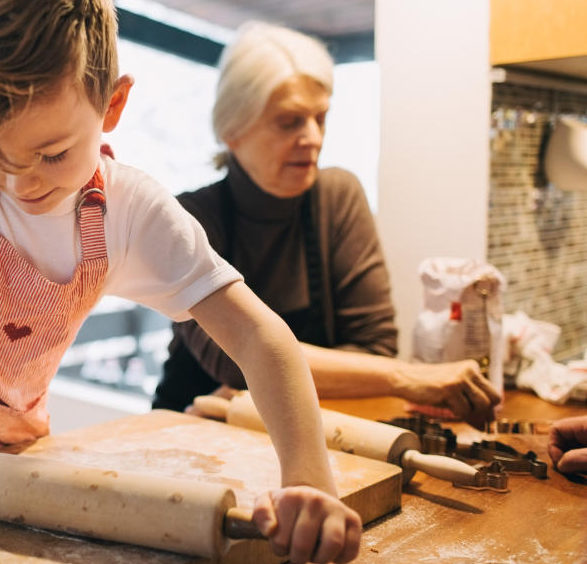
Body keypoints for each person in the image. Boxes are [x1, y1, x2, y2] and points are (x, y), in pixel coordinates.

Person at [0, 0, 360, 564]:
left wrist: (310, 481)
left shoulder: (131, 213)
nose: (22, 183)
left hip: (6, 463)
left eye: (51, 154)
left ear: (112, 106)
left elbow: (261, 339)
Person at [153, 22, 501, 430]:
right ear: (232, 130)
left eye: (321, 118)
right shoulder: (189, 218)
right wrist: (403, 378)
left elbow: (375, 347)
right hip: (194, 435)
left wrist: (245, 395)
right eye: (289, 121)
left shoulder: (338, 196)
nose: (313, 137)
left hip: (310, 429)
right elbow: (233, 360)